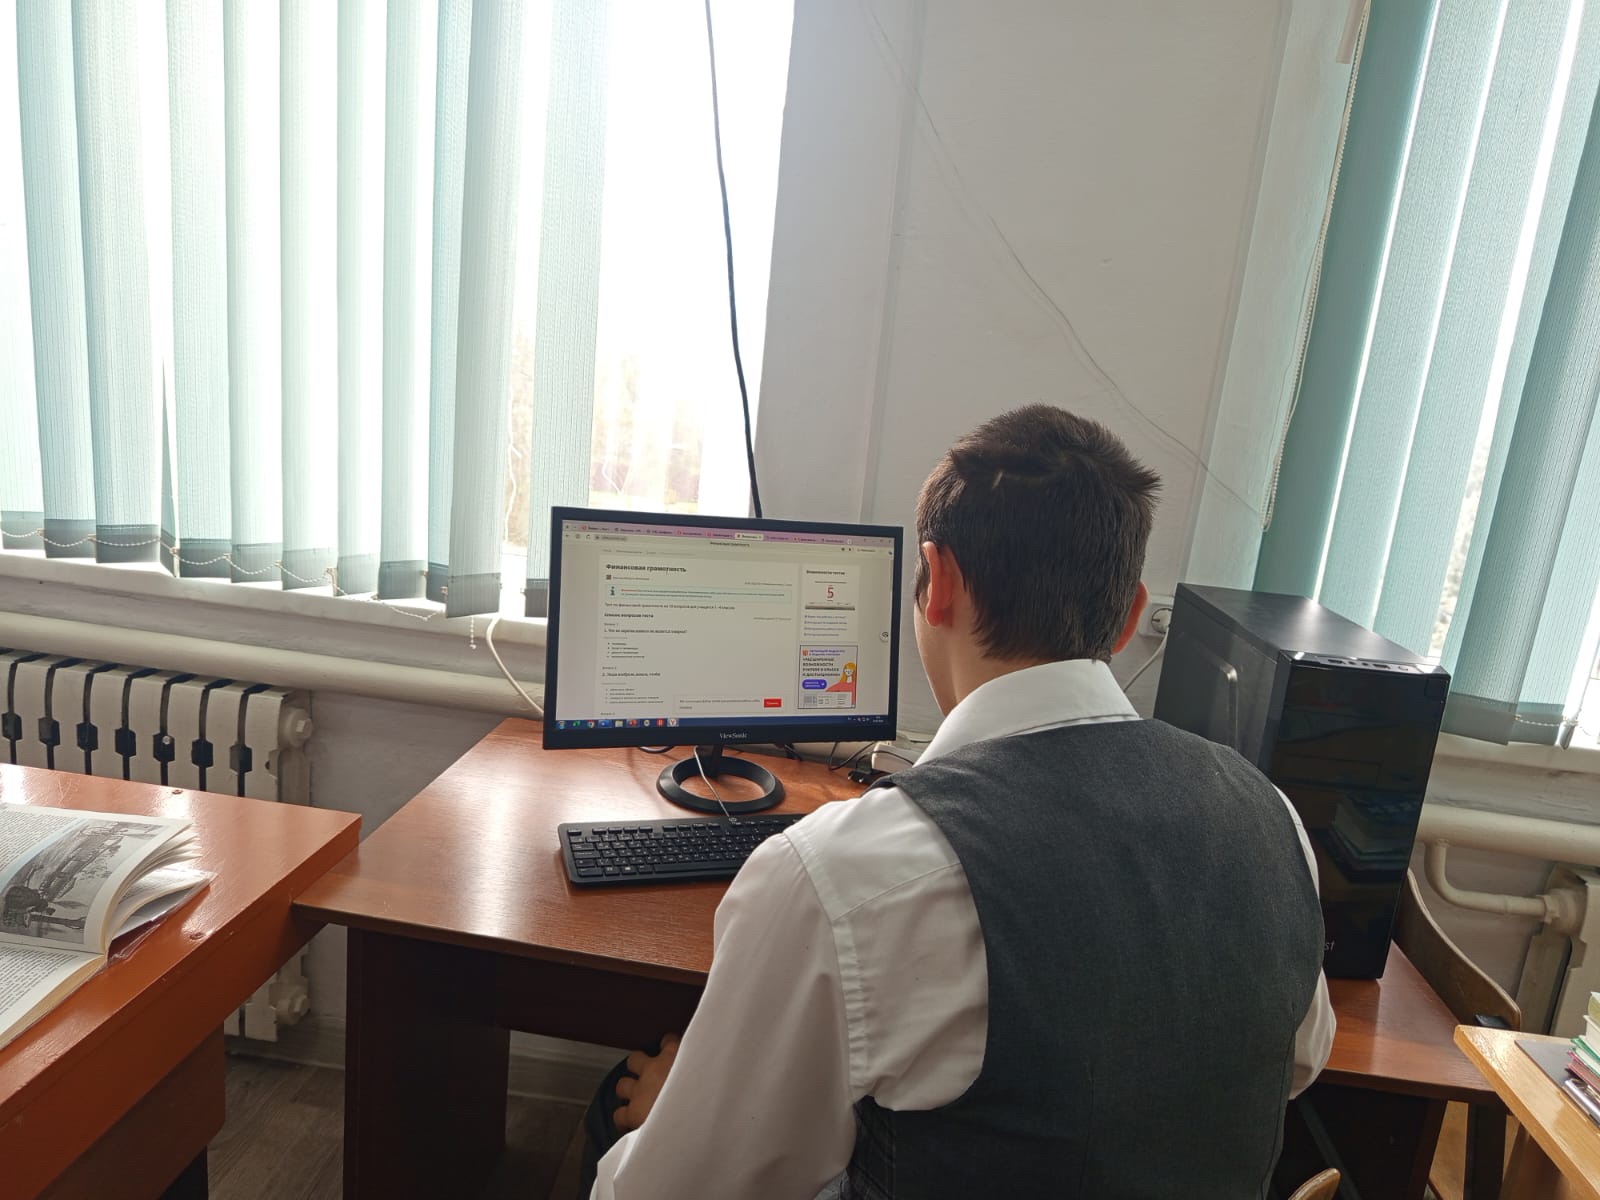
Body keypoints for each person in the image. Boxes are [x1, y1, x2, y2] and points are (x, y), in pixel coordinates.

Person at [585, 405, 1334, 1198]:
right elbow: (1299, 1061)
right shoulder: (1271, 820)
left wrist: (670, 1119)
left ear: (937, 582)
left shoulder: (844, 876)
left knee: (615, 1121)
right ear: (1127, 619)